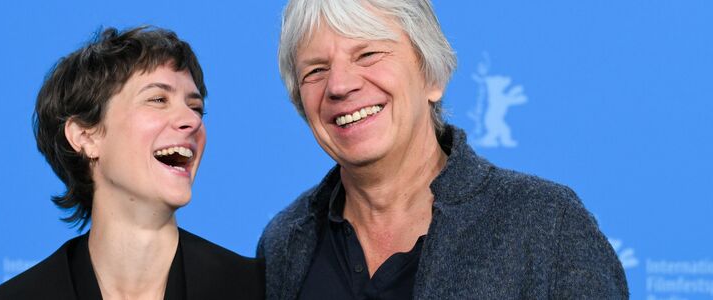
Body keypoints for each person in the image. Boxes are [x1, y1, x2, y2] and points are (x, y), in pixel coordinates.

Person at [257, 0, 628, 299]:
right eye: (316, 71)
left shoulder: (547, 225)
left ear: (431, 76)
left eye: (368, 54)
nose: (339, 85)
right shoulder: (283, 244)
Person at [0, 26, 264, 300]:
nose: (192, 121)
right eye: (158, 99)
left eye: (196, 107)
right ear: (85, 136)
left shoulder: (257, 290)